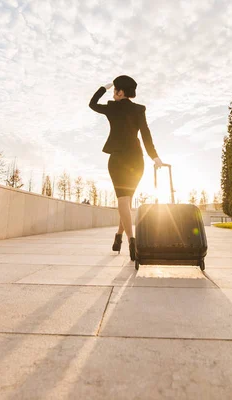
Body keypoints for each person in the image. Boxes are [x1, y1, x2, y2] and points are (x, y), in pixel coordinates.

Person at [89, 75, 165, 261]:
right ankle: (119, 236)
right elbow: (146, 135)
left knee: (123, 201)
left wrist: (103, 88)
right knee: (127, 201)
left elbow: (92, 104)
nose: (114, 92)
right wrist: (154, 157)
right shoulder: (139, 110)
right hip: (137, 160)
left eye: (115, 89)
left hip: (117, 159)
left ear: (120, 92)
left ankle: (132, 240)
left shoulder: (112, 108)